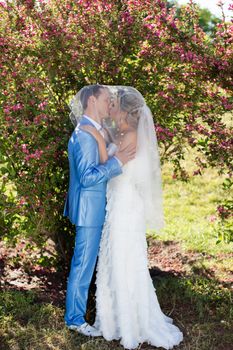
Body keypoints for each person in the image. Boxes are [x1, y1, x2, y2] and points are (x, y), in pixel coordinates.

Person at [80, 86, 184, 349]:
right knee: (115, 258)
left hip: (125, 207)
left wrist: (95, 135)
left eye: (114, 104)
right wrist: (100, 131)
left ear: (124, 110)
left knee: (125, 259)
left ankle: (130, 323)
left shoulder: (131, 136)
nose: (110, 108)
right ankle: (114, 319)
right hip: (118, 205)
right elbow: (110, 145)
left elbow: (107, 163)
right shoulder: (123, 132)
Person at [63, 84, 136, 337]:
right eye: (106, 99)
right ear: (92, 100)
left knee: (85, 262)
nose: (110, 104)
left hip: (96, 207)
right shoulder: (84, 134)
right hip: (89, 209)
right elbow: (87, 177)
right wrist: (118, 162)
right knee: (83, 264)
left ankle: (79, 314)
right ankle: (74, 319)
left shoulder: (95, 130)